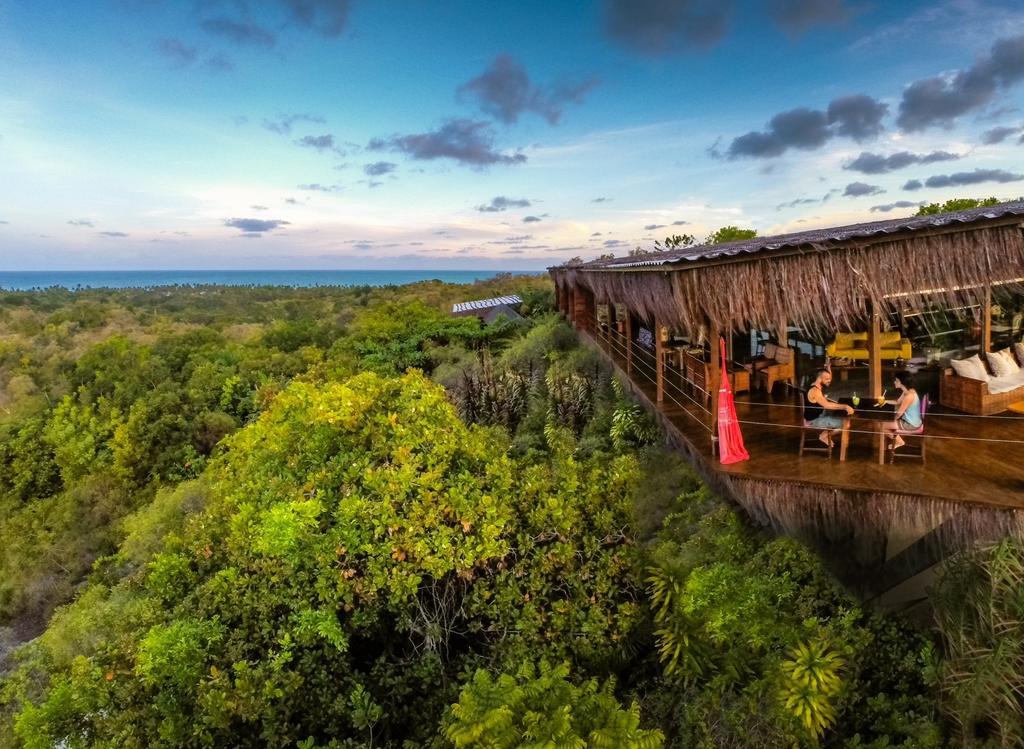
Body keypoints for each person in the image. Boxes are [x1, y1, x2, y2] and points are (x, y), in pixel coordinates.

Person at [804, 368, 854, 448]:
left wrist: (828, 368)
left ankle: (827, 433)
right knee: (846, 424)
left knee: (842, 415)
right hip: (814, 420)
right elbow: (827, 405)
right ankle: (824, 435)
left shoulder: (815, 383)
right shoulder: (815, 391)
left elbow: (826, 376)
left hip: (819, 413)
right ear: (819, 378)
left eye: (829, 379)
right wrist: (845, 406)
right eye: (827, 379)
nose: (829, 381)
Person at [879, 371, 922, 451]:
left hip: (911, 424)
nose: (894, 382)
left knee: (881, 425)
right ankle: (896, 438)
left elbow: (899, 414)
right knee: (884, 423)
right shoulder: (908, 391)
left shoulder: (909, 396)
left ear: (902, 383)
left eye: (897, 380)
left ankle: (899, 442)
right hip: (913, 421)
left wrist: (890, 420)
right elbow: (897, 402)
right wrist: (885, 401)